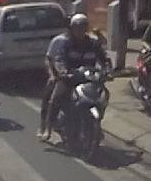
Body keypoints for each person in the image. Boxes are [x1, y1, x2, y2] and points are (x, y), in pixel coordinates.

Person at [39, 13, 108, 142]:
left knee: (101, 97)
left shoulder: (93, 44)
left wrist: (108, 70)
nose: (80, 30)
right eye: (77, 28)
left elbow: (104, 59)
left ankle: (96, 125)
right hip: (69, 79)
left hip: (88, 79)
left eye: (83, 27)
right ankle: (48, 128)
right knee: (56, 98)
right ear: (72, 29)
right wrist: (62, 71)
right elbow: (59, 59)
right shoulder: (66, 44)